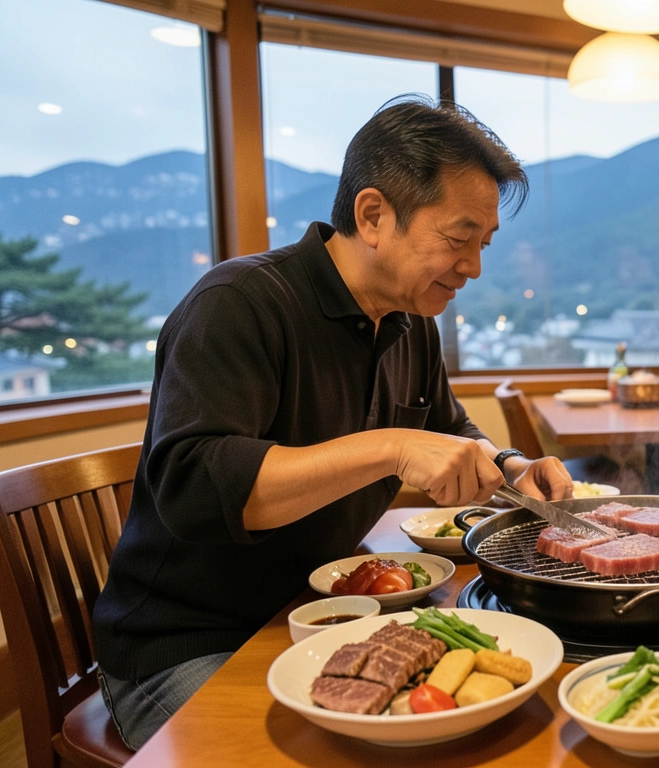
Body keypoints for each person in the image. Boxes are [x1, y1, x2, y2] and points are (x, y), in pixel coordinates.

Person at [92, 96, 572, 749]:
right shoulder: (239, 304)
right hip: (193, 639)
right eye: (459, 239)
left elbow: (451, 428)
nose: (474, 267)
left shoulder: (411, 325)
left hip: (327, 612)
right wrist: (393, 447)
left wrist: (511, 467)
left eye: (482, 245)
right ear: (373, 214)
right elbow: (195, 489)